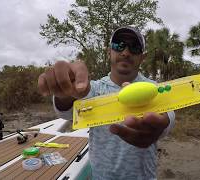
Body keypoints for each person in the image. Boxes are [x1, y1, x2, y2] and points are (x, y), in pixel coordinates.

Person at [38, 26, 175, 180]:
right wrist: (67, 92)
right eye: (119, 45)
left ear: (143, 57)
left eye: (134, 47)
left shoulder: (154, 88)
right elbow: (68, 112)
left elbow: (168, 115)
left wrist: (162, 124)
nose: (125, 52)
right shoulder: (95, 89)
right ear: (109, 51)